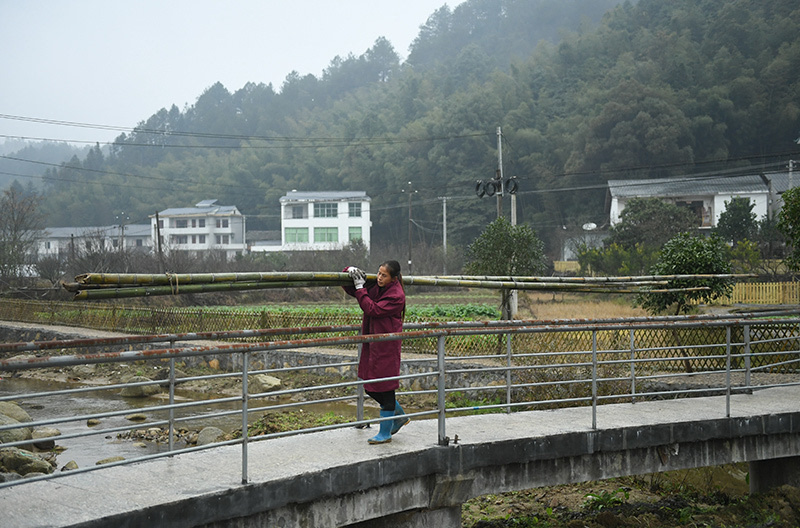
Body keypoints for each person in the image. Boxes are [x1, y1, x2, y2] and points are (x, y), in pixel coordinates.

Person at [342, 260, 409, 444]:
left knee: (386, 388)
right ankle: (398, 415)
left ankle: (385, 433)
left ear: (393, 278)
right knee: (369, 383)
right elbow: (354, 290)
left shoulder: (396, 295)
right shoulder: (379, 287)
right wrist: (349, 270)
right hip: (373, 343)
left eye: (384, 275)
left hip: (386, 345)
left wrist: (360, 287)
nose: (379, 278)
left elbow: (371, 308)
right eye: (378, 273)